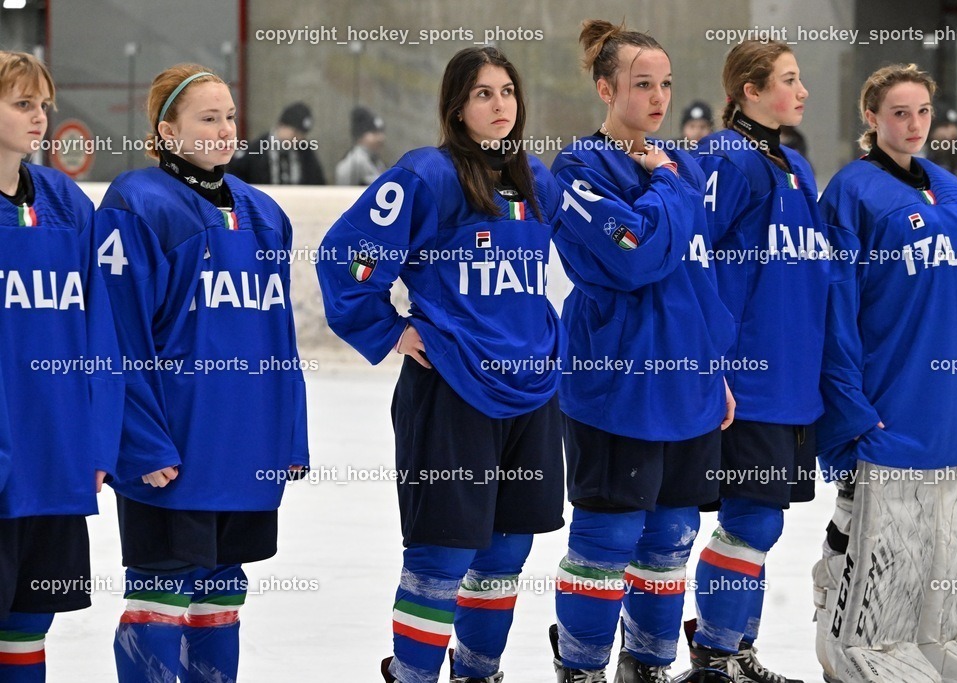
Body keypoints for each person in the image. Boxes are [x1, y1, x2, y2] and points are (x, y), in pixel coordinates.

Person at [317, 46, 564, 683]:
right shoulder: (426, 175)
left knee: (508, 550)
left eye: (507, 91)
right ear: (456, 106)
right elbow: (347, 257)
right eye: (483, 94)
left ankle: (478, 671)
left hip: (532, 392)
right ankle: (413, 674)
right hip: (452, 388)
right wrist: (391, 330)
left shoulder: (535, 178)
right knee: (443, 553)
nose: (499, 104)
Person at [94, 64, 309, 683]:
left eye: (231, 117)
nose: (224, 130)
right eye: (207, 118)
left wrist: (288, 434)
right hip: (174, 447)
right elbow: (118, 336)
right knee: (160, 595)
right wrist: (139, 441)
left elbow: (279, 338)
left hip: (243, 446)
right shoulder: (137, 203)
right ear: (167, 131)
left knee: (221, 597)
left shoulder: (265, 213)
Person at [813, 63, 957, 683]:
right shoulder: (851, 194)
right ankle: (859, 645)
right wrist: (849, 406)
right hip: (890, 404)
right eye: (899, 113)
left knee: (953, 536)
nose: (913, 124)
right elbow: (835, 310)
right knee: (883, 541)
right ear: (871, 119)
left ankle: (952, 633)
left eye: (923, 111)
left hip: (955, 408)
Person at [546, 20, 735, 683]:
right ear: (605, 88)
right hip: (618, 386)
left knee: (671, 540)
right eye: (641, 84)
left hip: (689, 383)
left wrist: (716, 366)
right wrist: (668, 187)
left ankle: (649, 666)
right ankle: (583, 668)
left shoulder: (674, 165)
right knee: (607, 540)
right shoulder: (574, 168)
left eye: (666, 85)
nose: (658, 98)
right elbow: (637, 258)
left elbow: (698, 272)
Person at [688, 39, 828, 683]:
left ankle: (736, 651)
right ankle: (715, 655)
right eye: (789, 80)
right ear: (749, 90)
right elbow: (702, 269)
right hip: (747, 380)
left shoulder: (795, 163)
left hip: (792, 379)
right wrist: (713, 367)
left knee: (761, 524)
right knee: (751, 519)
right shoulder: (725, 159)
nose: (801, 93)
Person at [0, 50, 123, 683]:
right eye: (23, 104)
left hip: (51, 454)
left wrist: (96, 439)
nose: (40, 116)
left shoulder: (66, 201)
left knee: (28, 619)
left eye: (44, 103)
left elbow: (99, 331)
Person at [228, 100, 326, 184]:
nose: (297, 139)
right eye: (295, 133)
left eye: (302, 135)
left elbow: (317, 182)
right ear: (281, 125)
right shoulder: (256, 150)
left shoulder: (305, 151)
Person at [335, 105, 387, 185]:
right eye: (374, 133)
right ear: (360, 136)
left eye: (381, 132)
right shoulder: (356, 160)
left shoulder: (375, 160)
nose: (380, 138)